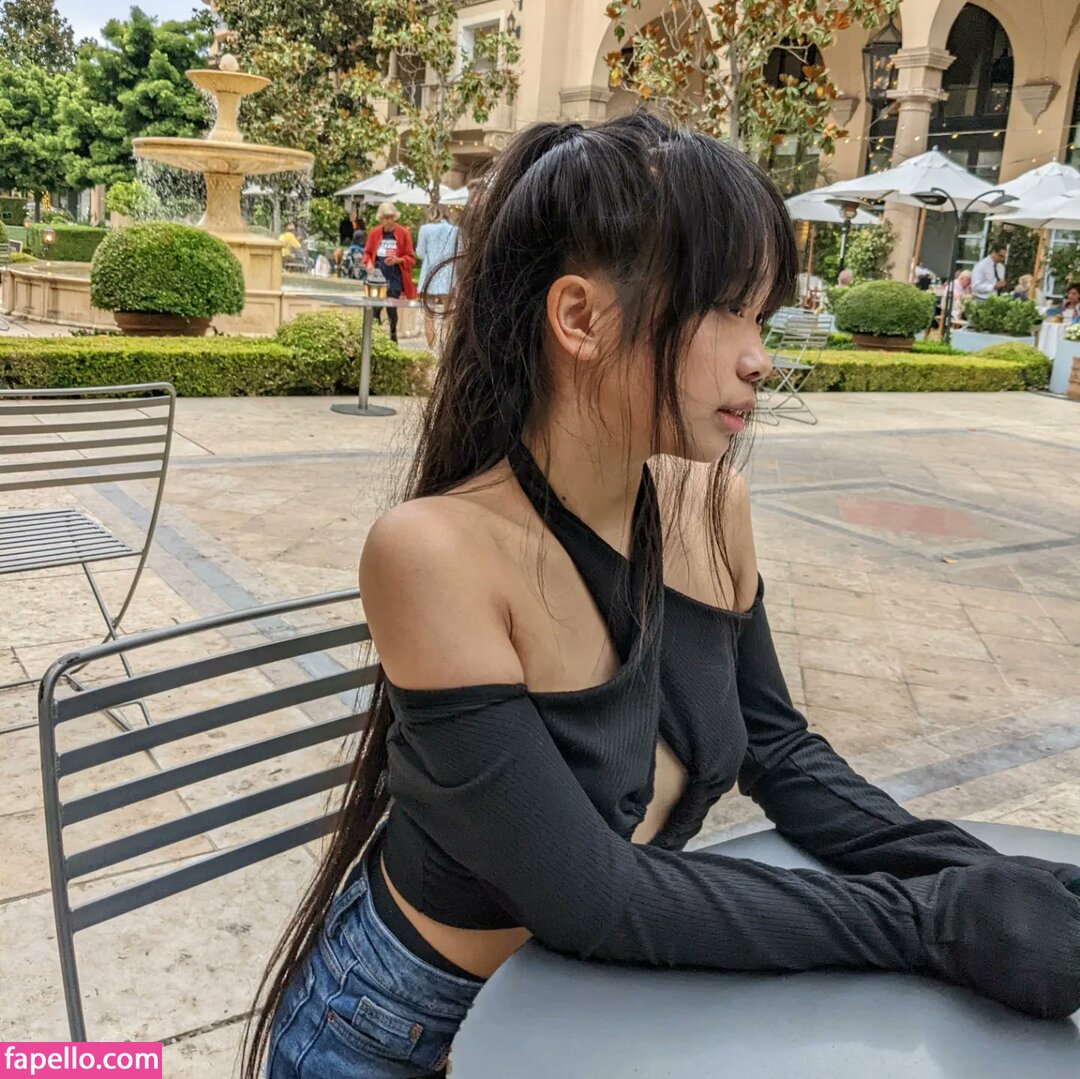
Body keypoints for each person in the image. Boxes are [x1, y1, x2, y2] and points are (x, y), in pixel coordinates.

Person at [246, 114, 1080, 1079]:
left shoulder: (708, 502)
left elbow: (782, 754)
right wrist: (934, 922)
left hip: (599, 1008)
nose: (758, 357)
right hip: (393, 1029)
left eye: (761, 317)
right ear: (580, 318)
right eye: (726, 309)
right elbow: (596, 896)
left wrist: (995, 879)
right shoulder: (435, 554)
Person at [363, 201, 417, 342]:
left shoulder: (403, 233)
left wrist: (398, 260)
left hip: (394, 277)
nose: (389, 221)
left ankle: (393, 338)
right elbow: (367, 252)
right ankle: (376, 339)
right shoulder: (375, 233)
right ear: (380, 219)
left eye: (391, 217)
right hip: (377, 278)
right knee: (376, 308)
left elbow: (411, 258)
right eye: (386, 218)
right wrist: (369, 263)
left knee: (391, 309)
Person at [415, 205, 461, 350]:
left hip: (429, 275)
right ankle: (447, 348)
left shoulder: (425, 229)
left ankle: (432, 349)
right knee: (450, 315)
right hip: (448, 276)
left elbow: (420, 253)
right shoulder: (455, 230)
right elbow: (459, 253)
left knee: (429, 315)